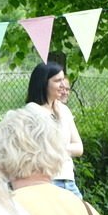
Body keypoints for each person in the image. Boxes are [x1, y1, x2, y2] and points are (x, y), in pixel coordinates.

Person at [25, 62, 84, 197]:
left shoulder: (64, 110)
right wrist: (62, 148)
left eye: (63, 79)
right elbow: (39, 149)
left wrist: (59, 116)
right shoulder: (32, 111)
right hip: (47, 181)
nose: (63, 85)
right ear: (44, 83)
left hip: (69, 180)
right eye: (58, 81)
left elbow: (79, 148)